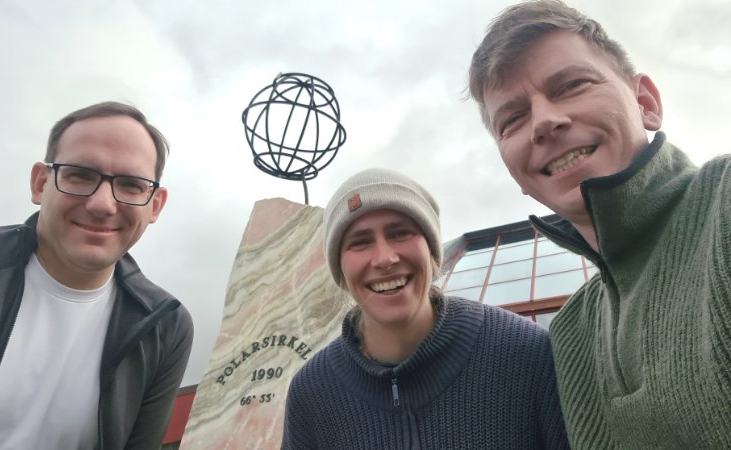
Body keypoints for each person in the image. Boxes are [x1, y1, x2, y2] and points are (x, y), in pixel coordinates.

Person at [468, 0, 731, 447]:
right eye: (512, 119)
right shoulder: (570, 332)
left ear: (645, 102)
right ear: (513, 171)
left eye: (572, 85)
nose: (544, 122)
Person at [0, 101, 194, 450]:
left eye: (131, 185)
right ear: (41, 183)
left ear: (155, 205)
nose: (102, 205)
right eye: (80, 175)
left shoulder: (165, 326)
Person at [281, 168, 569, 449]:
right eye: (360, 242)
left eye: (400, 233)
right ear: (340, 270)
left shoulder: (527, 353)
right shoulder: (311, 392)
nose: (384, 258)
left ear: (432, 252)